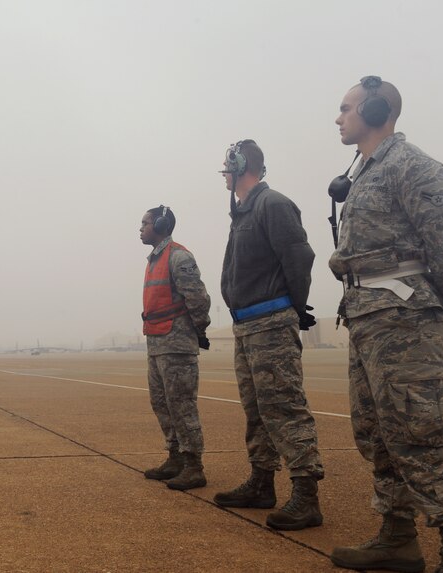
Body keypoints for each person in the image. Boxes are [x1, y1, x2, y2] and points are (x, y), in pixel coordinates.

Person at [328, 76, 443, 573]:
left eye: (347, 108)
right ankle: (397, 537)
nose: (339, 117)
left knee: (423, 430)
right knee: (377, 433)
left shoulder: (412, 167)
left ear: (375, 110)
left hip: (405, 321)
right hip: (369, 319)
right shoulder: (367, 172)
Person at [214, 140, 324, 531]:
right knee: (257, 410)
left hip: (270, 322)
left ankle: (306, 493)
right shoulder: (243, 212)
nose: (223, 175)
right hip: (246, 325)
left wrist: (296, 305)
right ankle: (262, 482)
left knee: (284, 407)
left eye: (226, 167)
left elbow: (299, 256)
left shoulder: (271, 203)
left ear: (240, 165)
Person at [139, 205, 211, 491]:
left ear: (160, 223)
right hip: (156, 343)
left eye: (145, 223)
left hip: (176, 343)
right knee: (161, 403)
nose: (140, 228)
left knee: (181, 405)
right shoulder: (154, 259)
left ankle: (194, 465)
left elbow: (197, 298)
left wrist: (199, 329)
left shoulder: (178, 256)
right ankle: (175, 457)